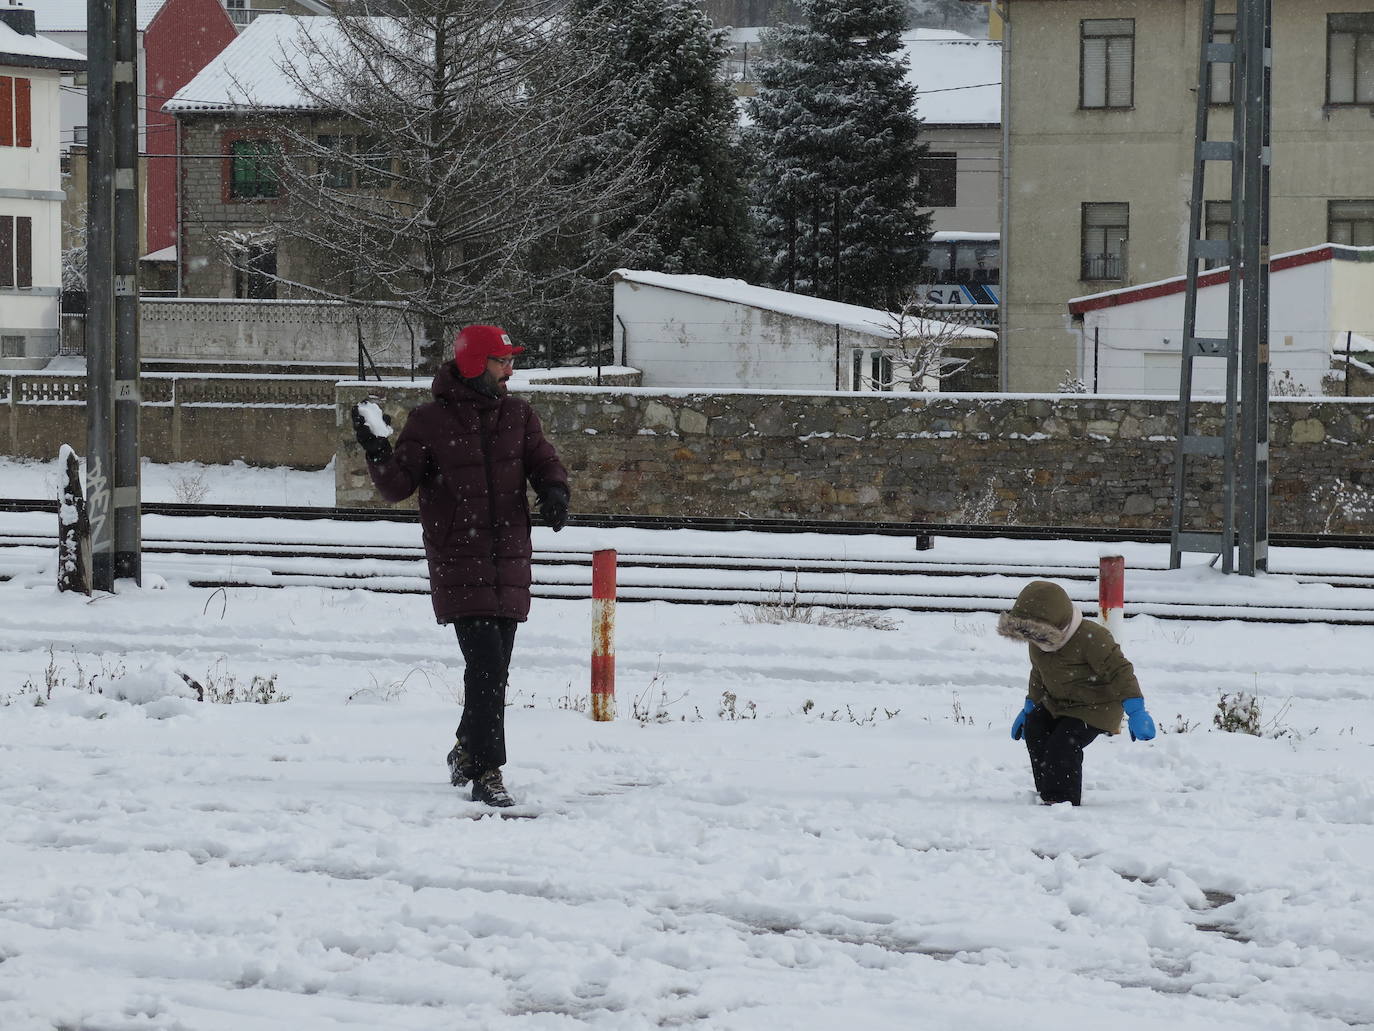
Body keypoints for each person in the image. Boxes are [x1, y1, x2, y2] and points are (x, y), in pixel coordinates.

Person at [351, 325, 570, 808]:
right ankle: (487, 771)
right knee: (487, 666)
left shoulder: (518, 414)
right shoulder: (431, 421)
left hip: (510, 558)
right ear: (475, 364)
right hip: (460, 558)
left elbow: (543, 460)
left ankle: (466, 748)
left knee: (493, 670)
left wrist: (554, 490)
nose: (510, 370)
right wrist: (378, 450)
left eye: (511, 361)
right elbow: (397, 487)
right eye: (501, 361)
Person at [996, 579, 1155, 806]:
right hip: (1058, 704)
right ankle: (1047, 791)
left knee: (1064, 742)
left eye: (1038, 634)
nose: (1034, 641)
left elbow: (1120, 671)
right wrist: (1030, 706)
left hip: (1097, 707)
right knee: (1036, 729)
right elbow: (1039, 674)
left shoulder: (1092, 638)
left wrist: (1136, 710)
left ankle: (1063, 800)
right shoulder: (1038, 642)